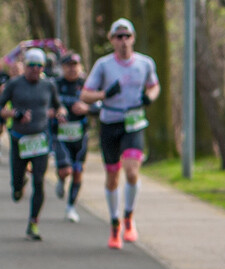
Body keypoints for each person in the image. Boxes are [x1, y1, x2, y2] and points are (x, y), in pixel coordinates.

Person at [80, 18, 160, 250]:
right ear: (112, 40)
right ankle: (114, 223)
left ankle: (129, 217)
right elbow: (85, 95)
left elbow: (154, 85)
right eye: (118, 37)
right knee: (113, 176)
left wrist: (149, 97)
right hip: (110, 123)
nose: (123, 41)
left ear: (133, 38)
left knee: (132, 171)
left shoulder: (145, 63)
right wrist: (104, 94)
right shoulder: (103, 65)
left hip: (134, 122)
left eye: (127, 36)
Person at [0, 48, 67, 240]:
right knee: (16, 188)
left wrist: (61, 114)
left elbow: (59, 106)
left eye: (39, 66)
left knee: (39, 181)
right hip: (19, 139)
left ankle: (33, 222)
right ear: (25, 66)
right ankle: (19, 186)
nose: (35, 69)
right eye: (31, 65)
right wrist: (15, 114)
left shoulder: (48, 85)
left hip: (40, 140)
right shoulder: (14, 84)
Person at [52, 52, 93, 222]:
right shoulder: (55, 84)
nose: (72, 69)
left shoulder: (87, 85)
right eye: (68, 65)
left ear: (80, 66)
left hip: (80, 134)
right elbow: (45, 104)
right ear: (62, 67)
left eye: (75, 65)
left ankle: (71, 207)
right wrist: (54, 112)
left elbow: (100, 106)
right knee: (65, 170)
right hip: (60, 134)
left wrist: (87, 109)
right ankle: (61, 179)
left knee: (77, 171)